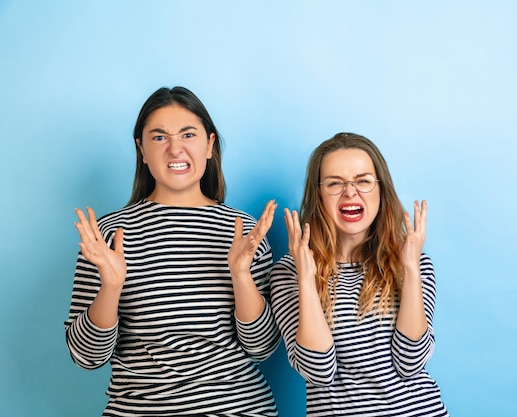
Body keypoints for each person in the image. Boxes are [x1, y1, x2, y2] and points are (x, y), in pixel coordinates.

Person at [64, 86, 281, 416]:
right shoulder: (108, 235)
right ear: (142, 150)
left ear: (209, 145)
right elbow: (86, 357)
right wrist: (110, 287)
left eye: (188, 134)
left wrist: (240, 276)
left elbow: (262, 347)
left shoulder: (244, 232)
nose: (175, 149)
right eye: (159, 137)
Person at [269, 132, 449, 416]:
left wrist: (411, 270)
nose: (350, 192)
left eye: (363, 180)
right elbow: (319, 371)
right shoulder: (288, 274)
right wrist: (305, 278)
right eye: (334, 183)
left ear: (381, 190)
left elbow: (411, 363)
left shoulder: (415, 263)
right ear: (318, 194)